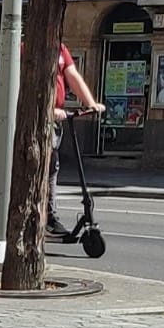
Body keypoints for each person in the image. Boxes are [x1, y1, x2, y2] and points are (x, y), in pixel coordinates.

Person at [48, 43, 103, 239]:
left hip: (56, 120)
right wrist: (48, 109)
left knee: (52, 168)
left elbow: (72, 76)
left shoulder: (60, 49)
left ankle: (49, 217)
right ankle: (44, 218)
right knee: (42, 167)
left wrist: (90, 103)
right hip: (36, 119)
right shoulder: (24, 48)